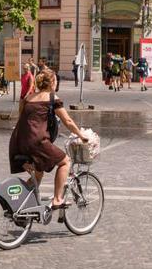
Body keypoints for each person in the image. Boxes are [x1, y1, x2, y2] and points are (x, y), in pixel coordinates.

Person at [8, 70, 92, 208]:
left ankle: (20, 205)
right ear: (52, 82)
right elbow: (68, 121)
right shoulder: (52, 98)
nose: (57, 83)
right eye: (56, 80)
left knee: (38, 173)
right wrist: (81, 135)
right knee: (65, 162)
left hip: (20, 141)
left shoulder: (28, 98)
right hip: (37, 141)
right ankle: (58, 199)